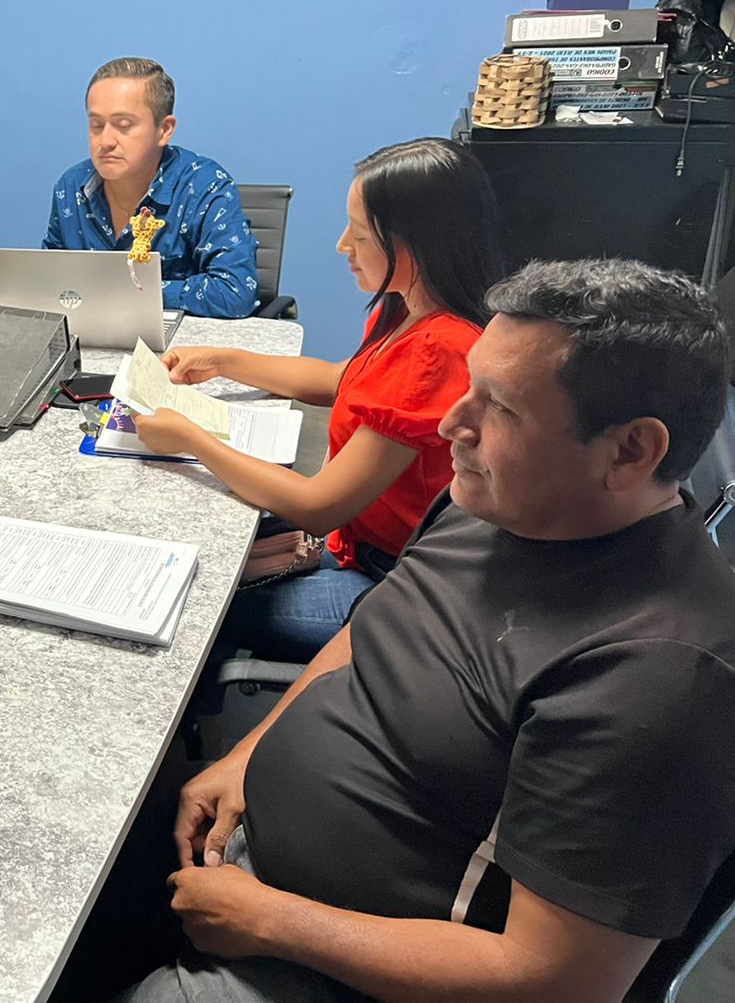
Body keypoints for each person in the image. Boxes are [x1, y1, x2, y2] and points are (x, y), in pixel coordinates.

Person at [119, 259, 735, 1003]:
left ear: (631, 451)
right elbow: (373, 631)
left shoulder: (660, 679)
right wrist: (246, 757)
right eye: (470, 386)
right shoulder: (494, 501)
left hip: (346, 965)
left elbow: (558, 980)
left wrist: (271, 922)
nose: (451, 425)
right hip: (259, 863)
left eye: (499, 409)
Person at [134, 138, 503, 660]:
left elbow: (319, 507)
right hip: (356, 539)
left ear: (415, 245)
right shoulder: (406, 307)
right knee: (197, 539)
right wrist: (225, 360)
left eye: (359, 234)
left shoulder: (437, 351)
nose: (341, 246)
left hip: (390, 578)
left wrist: (190, 438)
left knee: (195, 607)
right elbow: (339, 380)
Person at [45, 58, 258, 318]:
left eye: (124, 126)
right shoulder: (70, 188)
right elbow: (49, 281)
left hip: (180, 339)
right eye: (96, 125)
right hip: (91, 335)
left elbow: (234, 292)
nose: (106, 141)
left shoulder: (206, 186)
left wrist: (128, 291)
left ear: (164, 130)